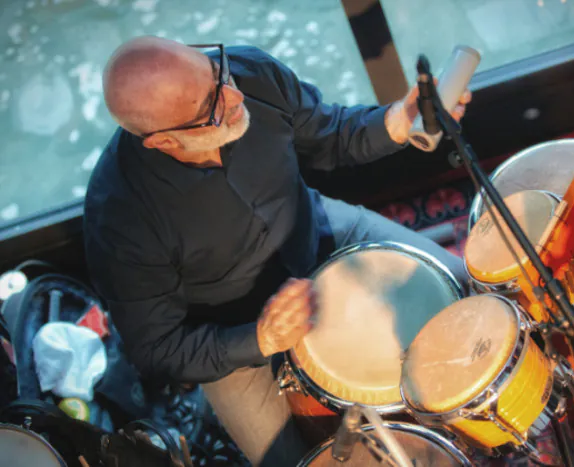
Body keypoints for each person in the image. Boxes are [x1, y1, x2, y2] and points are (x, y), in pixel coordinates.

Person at [83, 36, 471, 466]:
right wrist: (260, 338)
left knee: (468, 297)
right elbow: (157, 350)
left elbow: (329, 133)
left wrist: (400, 119)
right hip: (233, 329)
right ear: (163, 141)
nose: (234, 95)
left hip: (319, 231)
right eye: (210, 105)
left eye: (217, 72)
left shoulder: (249, 72)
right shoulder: (120, 220)